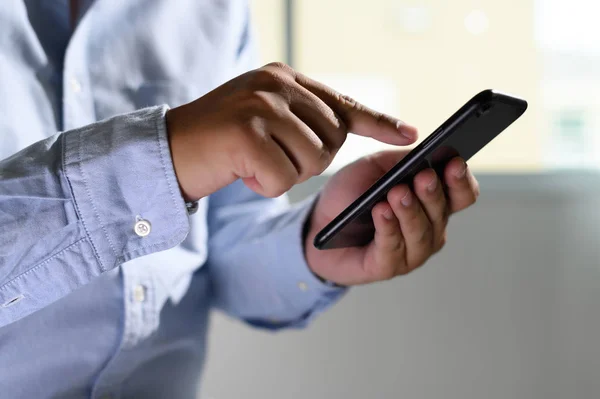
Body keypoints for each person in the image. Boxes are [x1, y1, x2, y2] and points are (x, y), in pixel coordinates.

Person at [0, 1, 479, 398]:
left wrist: (315, 241)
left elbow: (221, 249)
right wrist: (163, 157)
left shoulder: (214, 10)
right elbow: (175, 163)